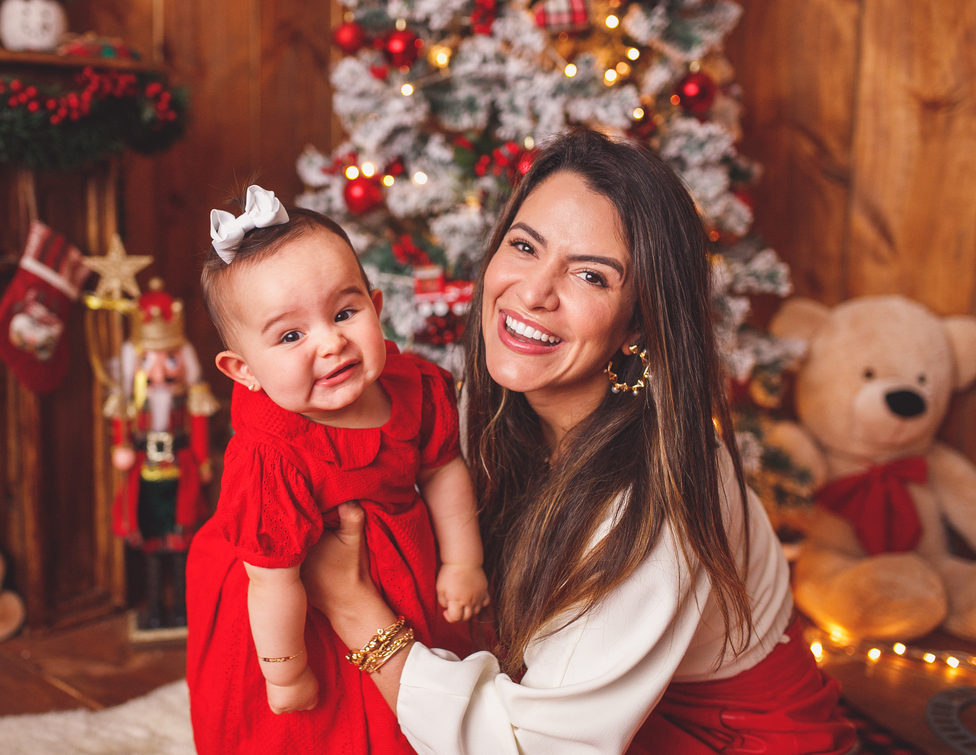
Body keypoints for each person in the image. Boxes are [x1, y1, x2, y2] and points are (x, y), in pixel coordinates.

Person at [301, 130, 858, 755]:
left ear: (638, 324)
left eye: (591, 276)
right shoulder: (488, 402)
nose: (534, 293)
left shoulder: (658, 491)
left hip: (723, 741)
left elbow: (535, 749)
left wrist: (352, 608)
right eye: (524, 246)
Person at [185, 185, 489, 754]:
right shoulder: (270, 454)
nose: (331, 343)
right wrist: (285, 673)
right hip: (286, 605)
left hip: (403, 571)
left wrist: (462, 562)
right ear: (243, 370)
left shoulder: (413, 386)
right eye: (291, 335)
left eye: (345, 313)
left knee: (409, 714)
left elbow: (443, 471)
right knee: (314, 729)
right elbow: (271, 583)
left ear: (377, 306)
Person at [109, 279, 218, 630]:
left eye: (170, 359)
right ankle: (155, 608)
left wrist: (202, 462)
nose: (159, 373)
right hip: (145, 482)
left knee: (182, 547)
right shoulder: (130, 402)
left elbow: (198, 431)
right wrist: (122, 449)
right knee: (153, 550)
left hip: (180, 477)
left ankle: (184, 609)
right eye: (147, 361)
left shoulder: (190, 398)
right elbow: (120, 434)